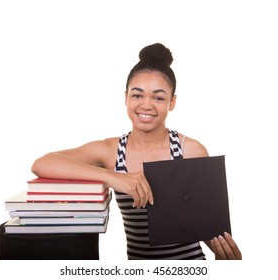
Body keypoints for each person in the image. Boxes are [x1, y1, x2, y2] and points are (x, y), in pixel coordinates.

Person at [31, 43, 242, 260]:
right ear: (126, 97)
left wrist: (222, 252)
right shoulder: (111, 151)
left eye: (158, 97)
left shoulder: (190, 150)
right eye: (137, 95)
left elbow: (203, 224)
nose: (147, 105)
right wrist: (112, 177)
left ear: (172, 102)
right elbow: (42, 164)